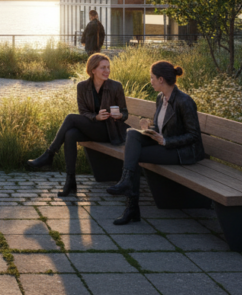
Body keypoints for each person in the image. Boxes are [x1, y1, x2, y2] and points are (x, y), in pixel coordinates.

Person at [106, 61, 205, 225]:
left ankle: (131, 205)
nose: (150, 81)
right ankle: (128, 186)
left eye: (152, 78)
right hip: (165, 143)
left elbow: (193, 135)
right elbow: (161, 127)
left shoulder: (184, 101)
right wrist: (149, 128)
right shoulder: (161, 98)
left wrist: (165, 141)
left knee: (133, 155)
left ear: (161, 79)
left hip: (183, 152)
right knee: (132, 134)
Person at [26, 53, 128, 197]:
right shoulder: (82, 87)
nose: (107, 71)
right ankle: (70, 182)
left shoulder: (116, 86)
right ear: (93, 70)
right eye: (103, 68)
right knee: (70, 134)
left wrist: (120, 115)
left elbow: (125, 113)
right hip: (94, 127)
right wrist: (96, 117)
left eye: (108, 67)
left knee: (70, 118)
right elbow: (83, 111)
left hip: (110, 131)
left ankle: (49, 155)